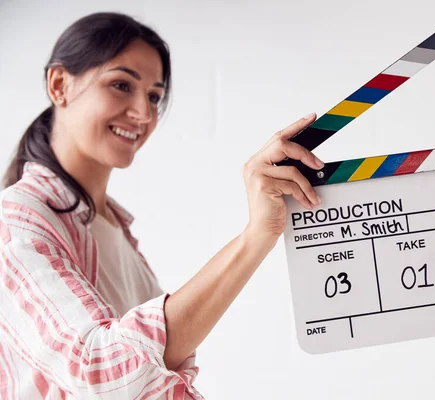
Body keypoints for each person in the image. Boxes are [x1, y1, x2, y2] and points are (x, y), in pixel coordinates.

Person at [0, 12, 323, 399]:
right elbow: (99, 371)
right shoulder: (16, 222)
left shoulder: (113, 228)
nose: (144, 113)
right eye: (121, 85)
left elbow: (154, 373)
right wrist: (256, 236)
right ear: (59, 84)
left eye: (154, 96)